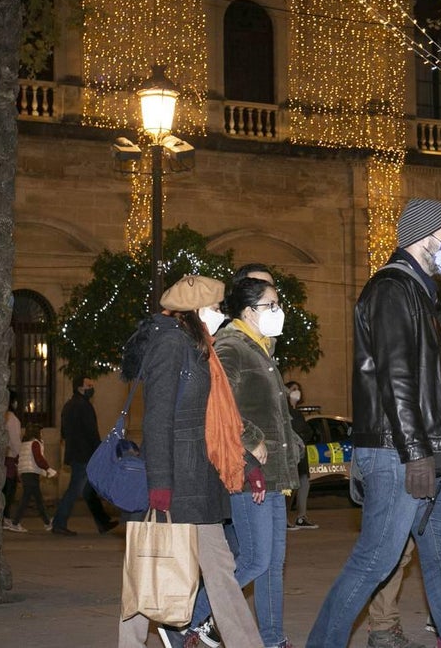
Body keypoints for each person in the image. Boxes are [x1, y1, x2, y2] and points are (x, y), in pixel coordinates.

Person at [307, 198, 441, 648]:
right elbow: (396, 377)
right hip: (400, 452)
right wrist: (416, 452)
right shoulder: (392, 288)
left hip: (426, 450)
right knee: (375, 560)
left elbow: (420, 373)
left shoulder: (419, 292)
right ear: (423, 237)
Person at [117, 274, 264, 648]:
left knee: (214, 571)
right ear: (197, 311)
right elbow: (157, 417)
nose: (220, 316)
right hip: (176, 480)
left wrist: (247, 465)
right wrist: (160, 484)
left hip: (198, 477)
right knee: (151, 566)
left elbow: (218, 419)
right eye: (215, 309)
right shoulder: (170, 344)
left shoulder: (200, 349)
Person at [216, 276, 302, 648]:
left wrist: (294, 446)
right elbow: (218, 400)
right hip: (249, 472)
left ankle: (272, 638)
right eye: (271, 305)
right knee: (253, 560)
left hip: (275, 476)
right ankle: (191, 621)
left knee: (271, 567)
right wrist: (251, 438)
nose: (278, 311)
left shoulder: (262, 349)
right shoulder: (230, 345)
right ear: (249, 311)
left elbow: (277, 412)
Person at [51, 377, 117, 536]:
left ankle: (103, 522)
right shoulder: (84, 406)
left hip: (76, 453)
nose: (91, 387)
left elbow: (64, 433)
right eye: (89, 385)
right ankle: (59, 523)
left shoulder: (68, 406)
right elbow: (91, 432)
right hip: (85, 454)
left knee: (88, 489)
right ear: (80, 388)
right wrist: (100, 451)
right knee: (75, 489)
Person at [9, 424, 57, 532]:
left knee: (36, 499)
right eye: (40, 432)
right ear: (37, 433)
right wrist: (48, 469)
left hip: (26, 473)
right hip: (31, 473)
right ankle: (15, 523)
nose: (41, 434)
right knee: (28, 500)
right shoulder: (35, 443)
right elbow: (38, 458)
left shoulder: (23, 444)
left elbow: (17, 459)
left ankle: (47, 523)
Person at [285, 380, 318, 530]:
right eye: (293, 389)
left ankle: (301, 516)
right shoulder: (284, 411)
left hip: (302, 455)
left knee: (303, 485)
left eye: (298, 389)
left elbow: (308, 432)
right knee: (288, 489)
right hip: (290, 456)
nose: (296, 391)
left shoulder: (298, 413)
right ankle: (283, 519)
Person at [2, 391, 22, 530]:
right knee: (9, 489)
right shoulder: (12, 419)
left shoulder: (1, 417)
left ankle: (2, 517)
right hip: (10, 458)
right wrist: (19, 455)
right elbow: (15, 440)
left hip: (1, 458)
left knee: (3, 489)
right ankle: (6, 518)